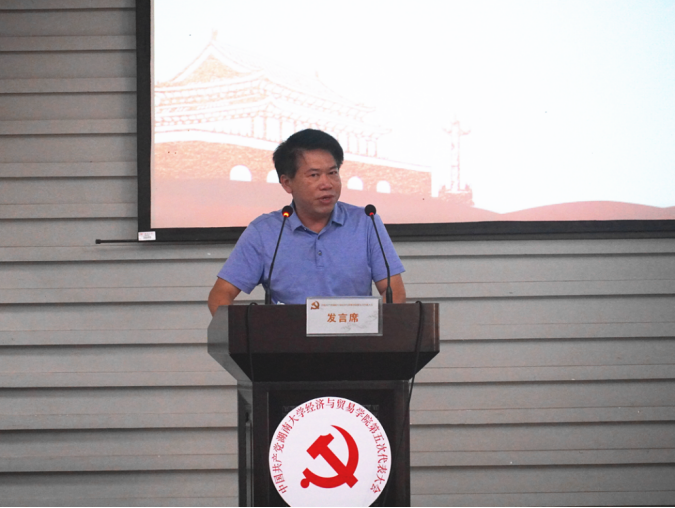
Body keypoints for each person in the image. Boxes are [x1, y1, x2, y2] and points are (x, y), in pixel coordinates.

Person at [207, 129, 406, 315]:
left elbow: (394, 292)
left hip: (355, 336)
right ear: (287, 183)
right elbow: (220, 296)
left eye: (332, 173)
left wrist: (373, 333)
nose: (327, 184)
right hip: (287, 339)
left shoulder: (365, 222)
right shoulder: (264, 232)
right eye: (314, 175)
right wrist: (249, 338)